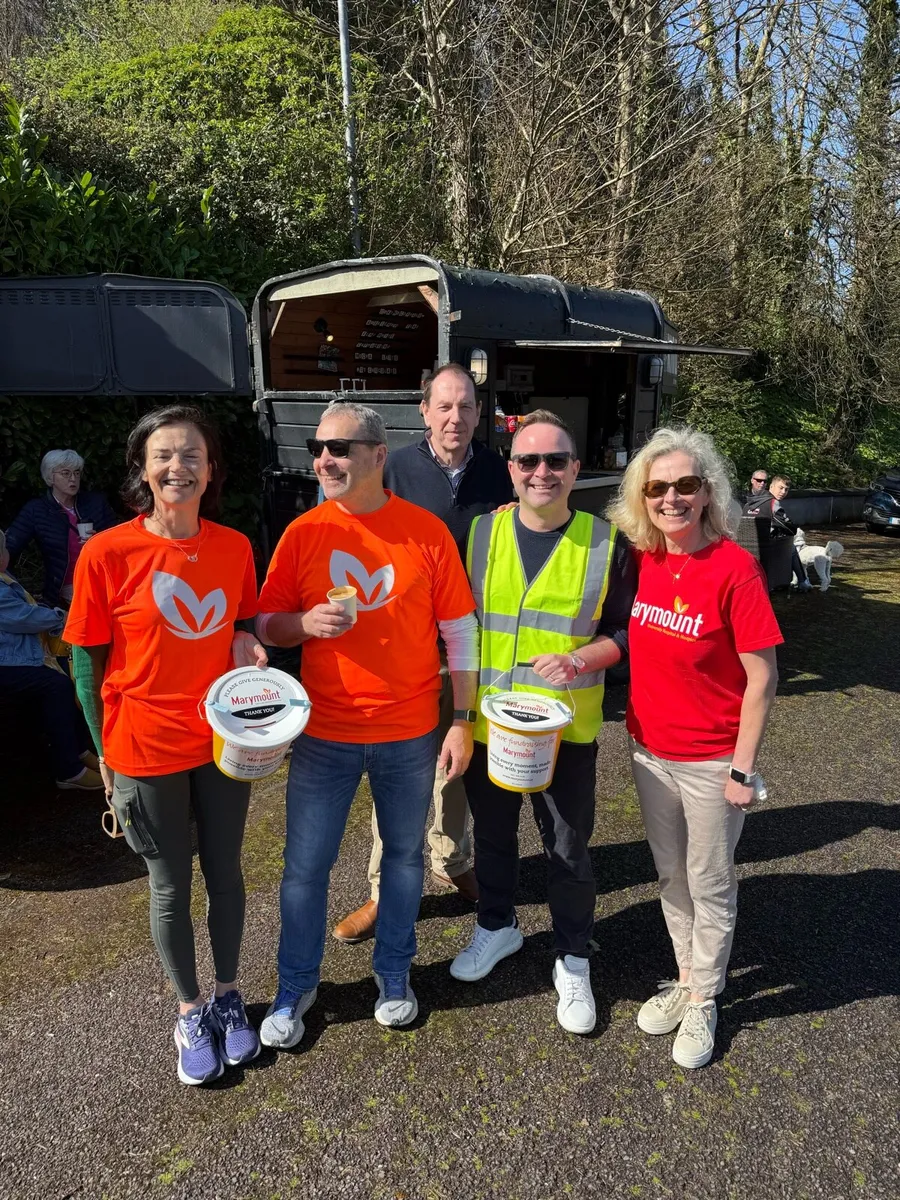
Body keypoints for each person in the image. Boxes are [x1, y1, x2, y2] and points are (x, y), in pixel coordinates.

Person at [255, 401, 478, 1047]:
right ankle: (297, 985)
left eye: (340, 447)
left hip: (409, 734)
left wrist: (461, 719)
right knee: (304, 869)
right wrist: (303, 625)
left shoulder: (425, 532)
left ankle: (394, 972)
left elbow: (460, 633)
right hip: (324, 736)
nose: (325, 458)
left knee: (406, 861)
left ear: (378, 455)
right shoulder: (303, 533)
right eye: (319, 448)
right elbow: (265, 622)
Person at [64, 406, 267, 1086]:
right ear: (144, 470)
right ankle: (189, 1011)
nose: (177, 467)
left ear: (212, 471)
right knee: (170, 884)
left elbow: (239, 624)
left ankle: (229, 995)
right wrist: (107, 758)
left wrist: (245, 639)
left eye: (191, 455)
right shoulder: (106, 553)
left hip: (220, 745)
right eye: (163, 456)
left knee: (228, 872)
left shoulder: (234, 547)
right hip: (142, 747)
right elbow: (87, 665)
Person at [449, 410, 637, 1036]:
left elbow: (623, 634)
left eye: (556, 460)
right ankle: (496, 927)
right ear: (511, 470)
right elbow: (459, 628)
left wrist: (581, 658)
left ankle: (574, 956)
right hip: (491, 725)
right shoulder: (479, 534)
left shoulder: (607, 542)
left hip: (566, 732)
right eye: (528, 461)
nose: (542, 472)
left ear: (576, 469)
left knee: (566, 848)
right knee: (495, 838)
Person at [608, 425, 782, 1069]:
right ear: (642, 497)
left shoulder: (735, 567)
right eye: (657, 488)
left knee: (709, 884)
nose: (671, 498)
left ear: (708, 492)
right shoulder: (646, 559)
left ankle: (706, 997)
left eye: (685, 485)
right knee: (669, 875)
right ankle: (686, 979)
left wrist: (743, 769)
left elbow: (762, 676)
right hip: (650, 751)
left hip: (714, 761)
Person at [333, 363, 512, 944]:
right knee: (402, 772)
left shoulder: (500, 471)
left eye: (466, 407)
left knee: (458, 763)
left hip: (472, 642)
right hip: (404, 644)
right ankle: (384, 891)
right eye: (445, 406)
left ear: (478, 414)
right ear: (424, 411)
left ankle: (454, 862)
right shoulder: (395, 468)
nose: (455, 417)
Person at [0, 528, 103, 791]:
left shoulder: (4, 578)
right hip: (8, 662)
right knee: (57, 686)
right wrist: (62, 615)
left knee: (66, 678)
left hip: (19, 654)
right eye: (3, 549)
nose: (7, 553)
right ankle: (69, 769)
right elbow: (24, 618)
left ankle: (80, 751)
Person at [4, 449, 119, 606]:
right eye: (66, 473)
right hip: (65, 588)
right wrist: (14, 590)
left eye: (77, 473)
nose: (73, 479)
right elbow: (7, 549)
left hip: (105, 581)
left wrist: (99, 542)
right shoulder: (37, 510)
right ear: (51, 477)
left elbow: (120, 543)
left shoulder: (96, 503)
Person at [744, 474, 811, 590]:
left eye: (786, 489)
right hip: (765, 548)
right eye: (780, 488)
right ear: (771, 487)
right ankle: (803, 582)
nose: (783, 492)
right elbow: (787, 526)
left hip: (746, 546)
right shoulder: (772, 503)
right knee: (791, 547)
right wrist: (793, 529)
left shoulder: (748, 503)